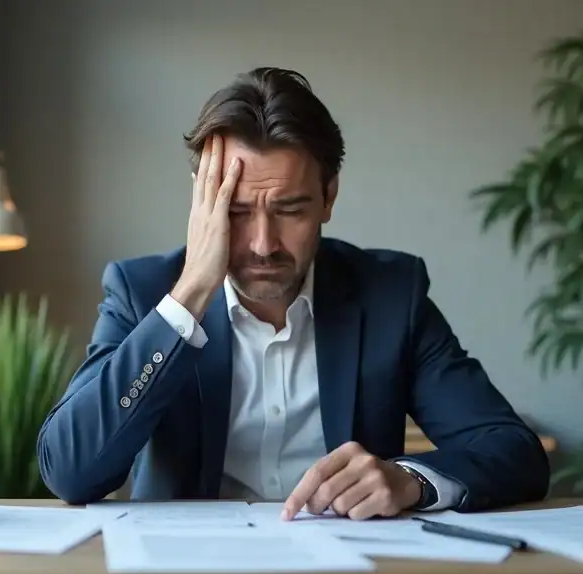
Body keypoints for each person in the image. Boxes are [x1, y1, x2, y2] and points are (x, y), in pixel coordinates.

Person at [37, 67, 550, 519]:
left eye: (290, 210)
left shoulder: (391, 296)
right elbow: (70, 471)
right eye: (237, 212)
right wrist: (189, 294)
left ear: (329, 196)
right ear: (203, 203)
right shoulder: (144, 292)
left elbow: (513, 450)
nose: (263, 244)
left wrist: (409, 481)